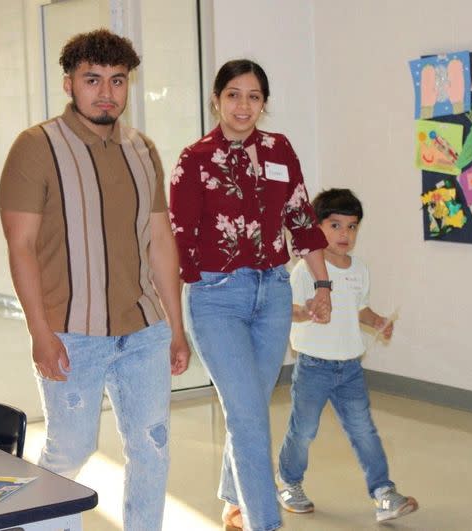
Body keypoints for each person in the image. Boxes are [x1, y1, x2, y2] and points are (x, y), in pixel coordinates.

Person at [0, 29, 190, 531]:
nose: (106, 92)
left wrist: (176, 326)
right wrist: (38, 332)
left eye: (117, 80)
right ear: (69, 84)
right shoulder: (35, 147)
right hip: (71, 333)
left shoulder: (143, 149)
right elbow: (20, 247)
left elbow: (161, 241)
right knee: (71, 450)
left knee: (152, 450)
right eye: (93, 79)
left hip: (144, 330)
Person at [169, 59, 332, 531]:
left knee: (250, 409)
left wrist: (322, 285)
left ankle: (233, 498)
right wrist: (174, 329)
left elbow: (302, 220)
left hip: (274, 294)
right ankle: (266, 523)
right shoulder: (194, 160)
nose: (244, 105)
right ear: (216, 99)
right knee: (249, 418)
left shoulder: (280, 149)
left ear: (264, 103)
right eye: (234, 95)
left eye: (254, 96)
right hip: (217, 298)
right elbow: (179, 243)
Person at [275, 188, 419, 523]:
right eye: (336, 225)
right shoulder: (305, 270)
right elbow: (289, 310)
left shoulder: (359, 269)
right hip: (313, 366)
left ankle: (383, 493)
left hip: (350, 368)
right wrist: (306, 311)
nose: (345, 234)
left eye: (352, 227)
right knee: (304, 429)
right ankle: (289, 482)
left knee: (363, 430)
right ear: (317, 227)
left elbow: (360, 309)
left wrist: (378, 321)